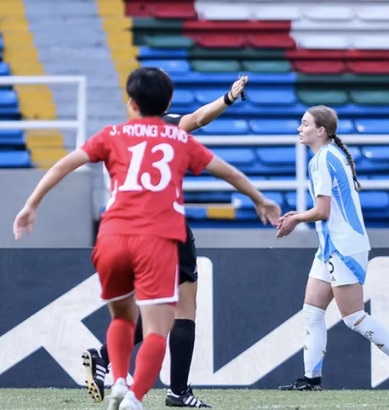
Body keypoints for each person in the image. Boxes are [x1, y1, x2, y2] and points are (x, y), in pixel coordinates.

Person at [14, 68, 280, 410]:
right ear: (167, 102)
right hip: (162, 233)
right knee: (171, 317)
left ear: (131, 102)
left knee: (123, 316)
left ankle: (116, 374)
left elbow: (64, 165)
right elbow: (217, 154)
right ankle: (152, 393)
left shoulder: (112, 134)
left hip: (112, 234)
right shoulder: (176, 135)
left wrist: (31, 204)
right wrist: (260, 198)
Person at [83, 77, 249, 409]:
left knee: (153, 313)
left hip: (123, 231)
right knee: (182, 309)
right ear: (167, 103)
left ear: (132, 102)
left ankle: (106, 358)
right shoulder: (168, 129)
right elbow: (199, 119)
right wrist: (228, 99)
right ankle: (177, 391)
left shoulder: (120, 135)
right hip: (165, 226)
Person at [276, 105, 389, 392]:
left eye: (305, 123)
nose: (299, 128)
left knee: (354, 317)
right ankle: (311, 380)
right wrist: (300, 215)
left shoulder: (322, 159)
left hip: (343, 246)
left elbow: (322, 210)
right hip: (332, 245)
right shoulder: (332, 154)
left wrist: (295, 218)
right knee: (312, 311)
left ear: (321, 130)